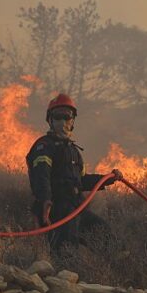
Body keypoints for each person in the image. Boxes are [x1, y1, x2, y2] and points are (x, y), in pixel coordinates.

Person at [26, 93, 123, 253]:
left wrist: (108, 178)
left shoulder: (73, 151)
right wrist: (45, 201)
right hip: (57, 210)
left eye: (67, 116)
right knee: (67, 252)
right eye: (58, 117)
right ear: (50, 120)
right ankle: (62, 277)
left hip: (77, 207)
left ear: (73, 122)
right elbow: (41, 176)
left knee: (105, 236)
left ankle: (122, 274)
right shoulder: (44, 146)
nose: (63, 121)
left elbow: (82, 180)